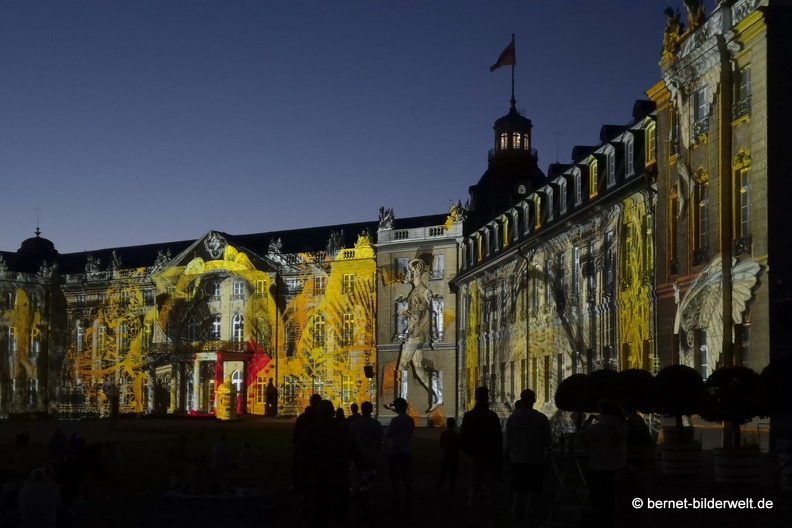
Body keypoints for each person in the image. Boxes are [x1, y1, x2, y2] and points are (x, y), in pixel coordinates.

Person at [295, 400, 365, 527]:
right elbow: (356, 454)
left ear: (318, 414)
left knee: (320, 517)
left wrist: (300, 480)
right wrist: (365, 470)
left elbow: (300, 458)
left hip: (319, 482)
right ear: (332, 413)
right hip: (340, 480)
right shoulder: (343, 432)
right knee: (340, 516)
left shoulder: (310, 432)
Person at [385, 259, 443, 412]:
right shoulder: (415, 291)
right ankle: (438, 396)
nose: (407, 275)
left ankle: (399, 404)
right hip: (415, 333)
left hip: (414, 334)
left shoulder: (423, 291)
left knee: (402, 366)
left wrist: (436, 333)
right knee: (418, 369)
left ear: (416, 272)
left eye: (410, 272)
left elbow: (430, 310)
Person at [504, 389, 551, 527]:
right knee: (533, 493)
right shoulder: (541, 419)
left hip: (517, 460)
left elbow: (509, 441)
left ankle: (516, 520)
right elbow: (547, 440)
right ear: (534, 400)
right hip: (534, 460)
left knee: (518, 493)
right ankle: (531, 520)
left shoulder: (512, 419)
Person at [578, 400, 629, 528]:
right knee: (614, 502)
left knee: (598, 503)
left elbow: (581, 436)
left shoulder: (597, 428)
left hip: (598, 469)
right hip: (617, 468)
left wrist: (587, 422)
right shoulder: (622, 427)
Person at [460, 386, 502, 526]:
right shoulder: (492, 416)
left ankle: (472, 516)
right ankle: (491, 518)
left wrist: (468, 452)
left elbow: (464, 438)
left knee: (473, 487)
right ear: (487, 397)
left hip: (474, 456)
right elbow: (498, 438)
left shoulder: (469, 416)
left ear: (475, 398)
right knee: (490, 489)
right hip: (489, 456)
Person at [348, 401, 383, 524]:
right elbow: (379, 441)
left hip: (358, 455)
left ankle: (355, 509)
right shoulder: (376, 424)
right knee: (370, 479)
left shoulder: (355, 424)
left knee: (356, 480)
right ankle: (369, 504)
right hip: (371, 454)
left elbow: (350, 440)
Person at [385, 397, 414, 516]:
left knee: (395, 481)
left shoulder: (395, 421)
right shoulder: (410, 420)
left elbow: (388, 434)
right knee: (406, 480)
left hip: (395, 452)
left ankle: (396, 505)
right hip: (406, 452)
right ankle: (408, 505)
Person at [435, 417, 460, 494]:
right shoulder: (456, 435)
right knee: (453, 475)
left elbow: (441, 445)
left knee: (443, 474)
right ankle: (452, 489)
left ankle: (439, 488)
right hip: (455, 457)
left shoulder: (444, 434)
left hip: (446, 456)